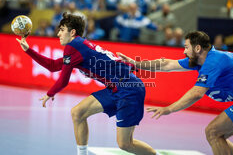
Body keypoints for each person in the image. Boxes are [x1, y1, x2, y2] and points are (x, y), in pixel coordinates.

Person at [16, 12, 159, 155]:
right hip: (115, 88)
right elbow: (53, 65)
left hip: (129, 89)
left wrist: (50, 93)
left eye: (61, 30)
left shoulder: (74, 46)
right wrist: (28, 50)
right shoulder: (78, 46)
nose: (58, 33)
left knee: (125, 144)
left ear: (72, 32)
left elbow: (64, 80)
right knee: (78, 113)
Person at [117, 31, 233, 155]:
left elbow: (197, 93)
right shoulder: (202, 60)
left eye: (186, 47)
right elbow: (166, 65)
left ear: (197, 48)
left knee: (213, 132)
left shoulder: (213, 61)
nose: (184, 51)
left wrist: (169, 109)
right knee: (220, 135)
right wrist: (135, 63)